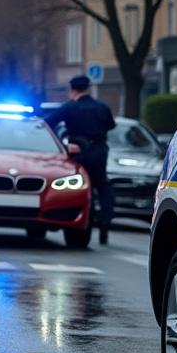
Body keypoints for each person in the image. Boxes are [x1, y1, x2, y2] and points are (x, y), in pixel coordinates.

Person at [44, 75, 116, 244]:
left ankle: (85, 220)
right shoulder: (102, 107)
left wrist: (61, 144)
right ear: (88, 89)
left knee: (82, 187)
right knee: (102, 185)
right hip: (99, 152)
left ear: (73, 90)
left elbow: (48, 123)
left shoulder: (69, 107)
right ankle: (105, 220)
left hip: (78, 152)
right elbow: (111, 125)